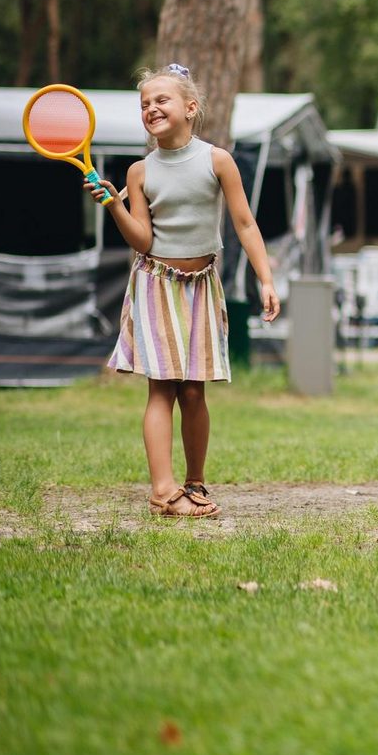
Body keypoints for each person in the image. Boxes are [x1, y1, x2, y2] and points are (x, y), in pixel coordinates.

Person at [86, 65, 280, 518]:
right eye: (144, 104)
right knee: (162, 391)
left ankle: (194, 483)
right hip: (156, 284)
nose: (151, 108)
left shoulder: (217, 160)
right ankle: (162, 491)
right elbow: (143, 240)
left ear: (190, 108)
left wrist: (265, 279)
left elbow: (245, 223)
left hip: (203, 287)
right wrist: (115, 204)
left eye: (161, 100)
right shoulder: (139, 171)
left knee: (195, 392)